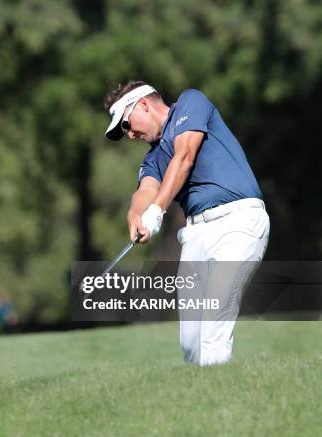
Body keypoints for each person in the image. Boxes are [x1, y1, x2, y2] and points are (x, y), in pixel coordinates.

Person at [103, 81, 270, 366]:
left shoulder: (191, 103)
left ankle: (220, 407)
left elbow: (185, 156)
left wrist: (157, 210)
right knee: (192, 345)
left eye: (127, 124)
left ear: (143, 104)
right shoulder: (153, 158)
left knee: (214, 324)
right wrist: (136, 216)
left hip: (239, 222)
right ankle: (201, 401)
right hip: (195, 236)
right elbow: (145, 191)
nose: (129, 134)